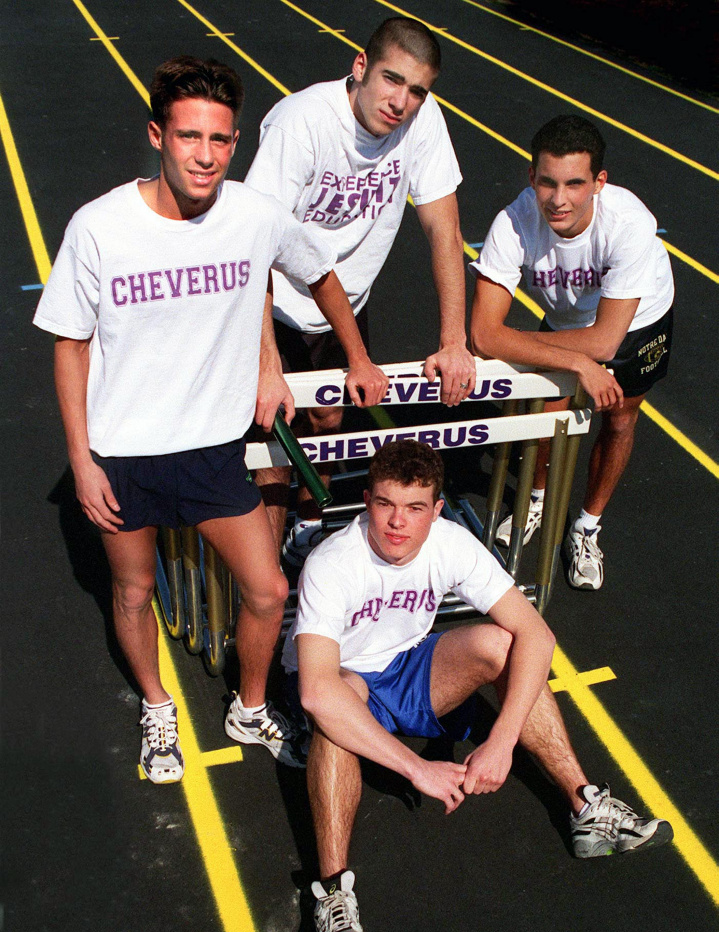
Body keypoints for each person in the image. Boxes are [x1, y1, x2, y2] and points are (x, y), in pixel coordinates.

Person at [33, 56, 386, 783]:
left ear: (233, 145)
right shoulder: (100, 227)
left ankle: (247, 707)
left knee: (268, 591)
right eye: (189, 136)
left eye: (220, 140)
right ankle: (157, 705)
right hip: (122, 453)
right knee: (133, 591)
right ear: (158, 135)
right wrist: (84, 459)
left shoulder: (254, 215)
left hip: (214, 452)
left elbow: (315, 272)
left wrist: (354, 356)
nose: (205, 154)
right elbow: (69, 346)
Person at [286, 440, 672, 932]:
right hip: (346, 678)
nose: (398, 522)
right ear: (366, 501)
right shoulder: (333, 564)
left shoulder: (452, 543)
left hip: (411, 667)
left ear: (436, 510)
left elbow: (536, 633)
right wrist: (417, 767)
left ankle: (587, 808)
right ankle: (332, 894)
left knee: (503, 644)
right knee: (333, 715)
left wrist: (502, 741)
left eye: (415, 508)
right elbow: (316, 690)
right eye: (385, 504)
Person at [244, 16, 476, 565]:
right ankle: (262, 560)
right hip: (273, 304)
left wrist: (454, 340)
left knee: (328, 422)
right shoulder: (300, 126)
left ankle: (308, 522)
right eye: (391, 80)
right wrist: (266, 362)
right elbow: (254, 251)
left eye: (417, 90)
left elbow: (445, 229)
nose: (401, 101)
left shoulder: (423, 122)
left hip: (345, 302)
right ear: (360, 67)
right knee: (276, 442)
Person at [470, 114, 674, 590]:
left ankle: (586, 526)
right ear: (532, 178)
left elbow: (606, 340)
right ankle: (537, 497)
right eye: (547, 183)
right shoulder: (513, 223)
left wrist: (579, 353)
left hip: (636, 321)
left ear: (599, 183)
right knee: (548, 415)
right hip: (568, 325)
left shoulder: (630, 225)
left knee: (619, 417)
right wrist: (579, 360)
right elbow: (481, 335)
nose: (558, 200)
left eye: (574, 184)